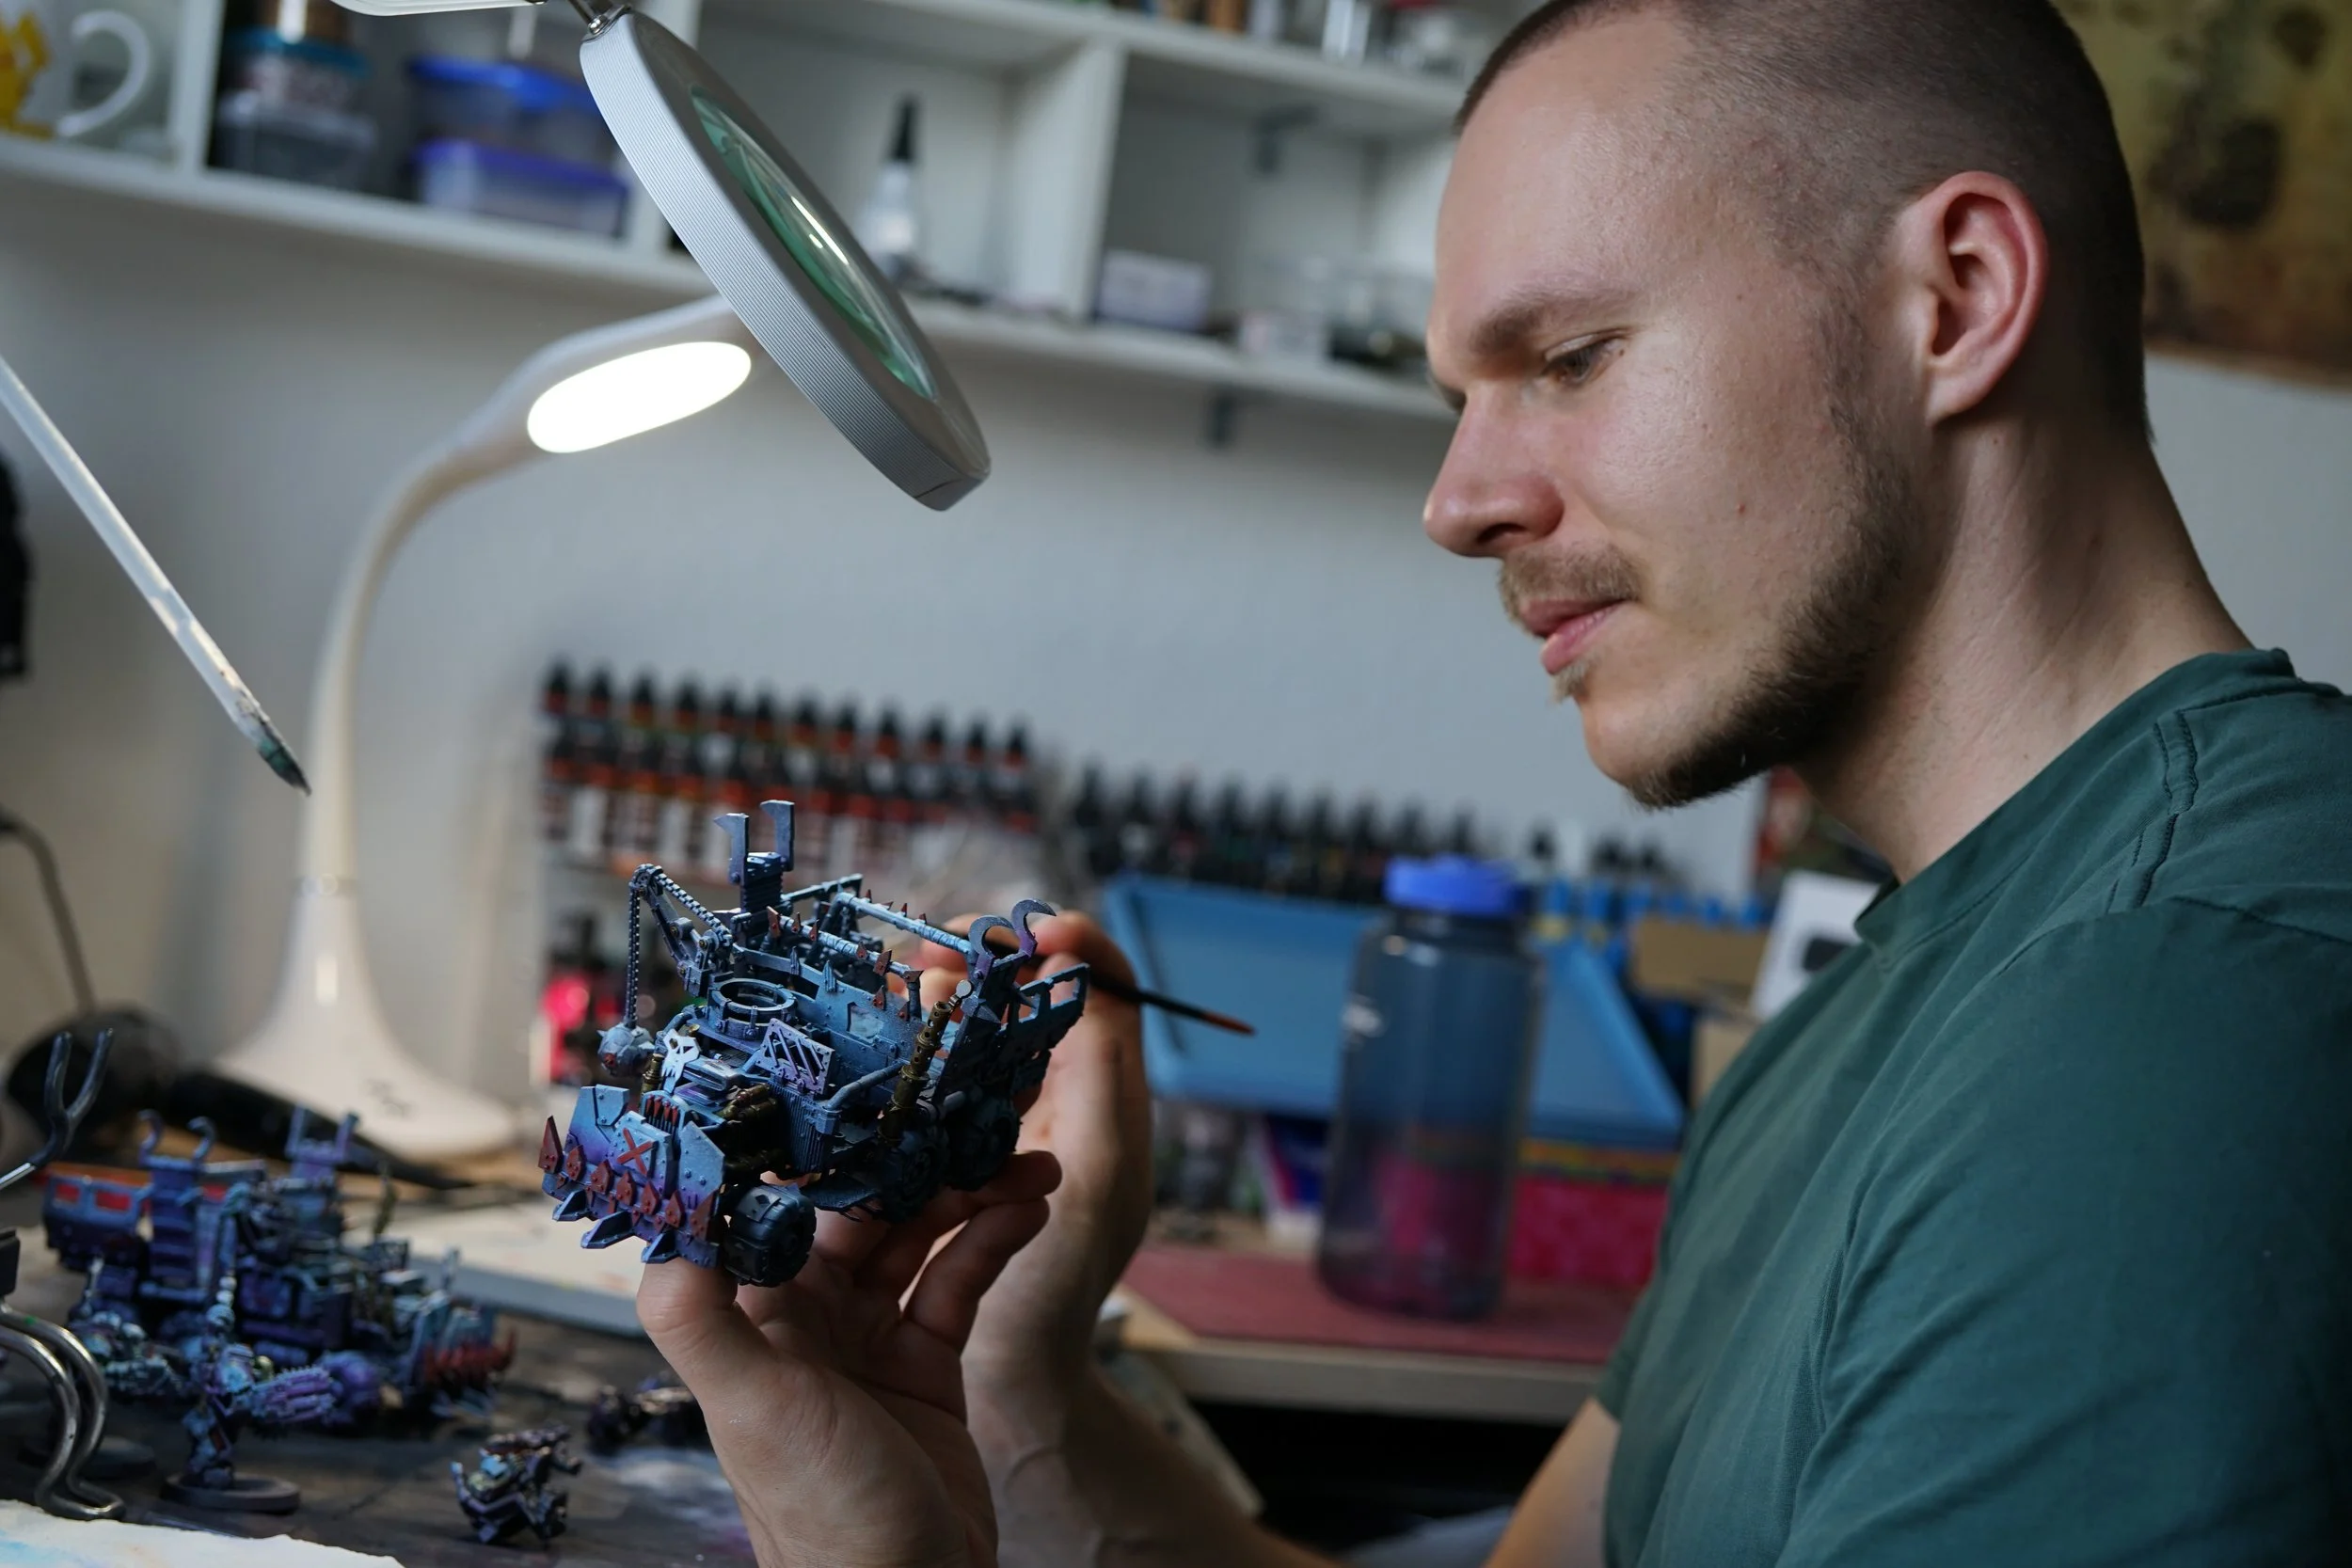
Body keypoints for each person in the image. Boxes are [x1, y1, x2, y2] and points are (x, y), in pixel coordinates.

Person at [637, 0, 2352, 1562]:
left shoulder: (2171, 1013)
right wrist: (1014, 1394)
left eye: (1573, 358)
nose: (1459, 501)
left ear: (1958, 300)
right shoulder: (1878, 1019)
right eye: (1466, 394)